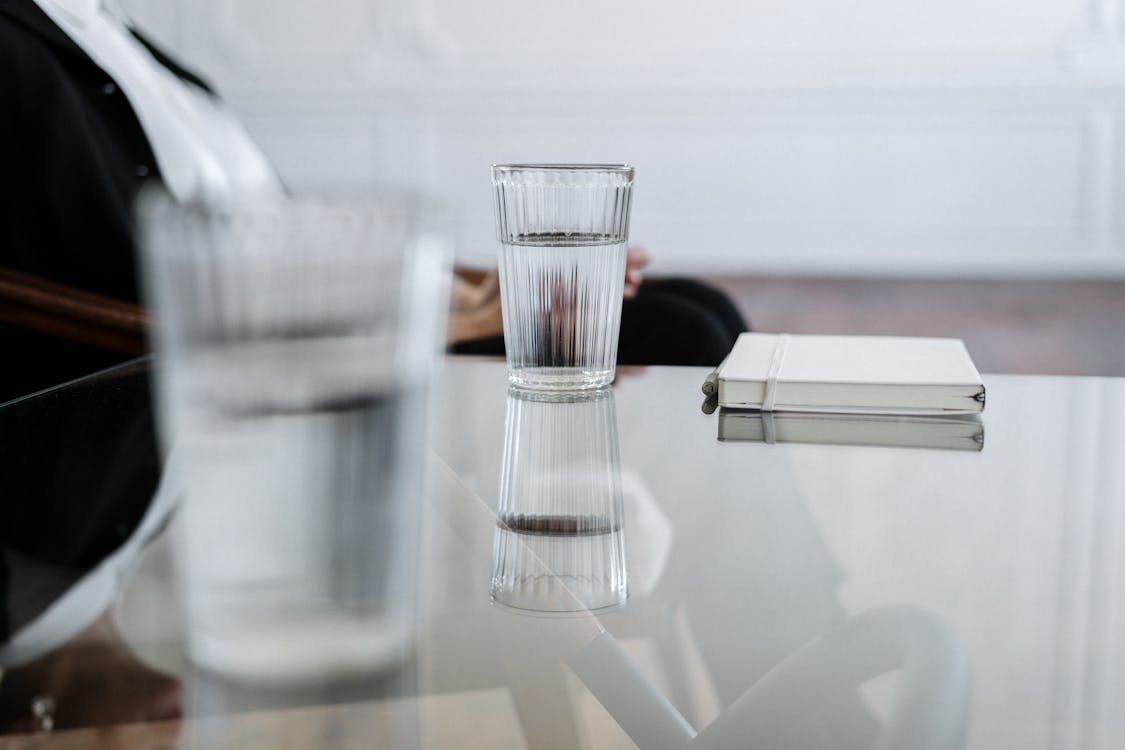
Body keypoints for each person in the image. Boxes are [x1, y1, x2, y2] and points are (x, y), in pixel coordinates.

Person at [0, 0, 747, 402]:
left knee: (704, 310)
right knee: (683, 333)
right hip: (286, 340)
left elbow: (274, 223)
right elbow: (145, 270)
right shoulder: (18, 42)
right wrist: (494, 311)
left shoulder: (108, 30)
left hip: (329, 295)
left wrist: (486, 285)